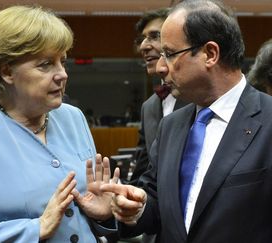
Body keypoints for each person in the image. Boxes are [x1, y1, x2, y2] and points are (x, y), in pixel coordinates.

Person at [0, 5, 118, 242]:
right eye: (45, 64)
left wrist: (105, 216)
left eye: (63, 61)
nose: (62, 74)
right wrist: (34, 229)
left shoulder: (73, 117)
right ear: (7, 72)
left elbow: (85, 217)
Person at [101, 1, 272, 242]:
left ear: (210, 54)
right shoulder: (170, 125)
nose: (160, 67)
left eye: (169, 54)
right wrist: (135, 207)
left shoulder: (267, 119)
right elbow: (155, 201)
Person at [130, 7, 188, 186]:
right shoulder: (148, 107)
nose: (143, 46)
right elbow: (144, 169)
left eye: (154, 36)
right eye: (142, 39)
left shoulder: (199, 97)